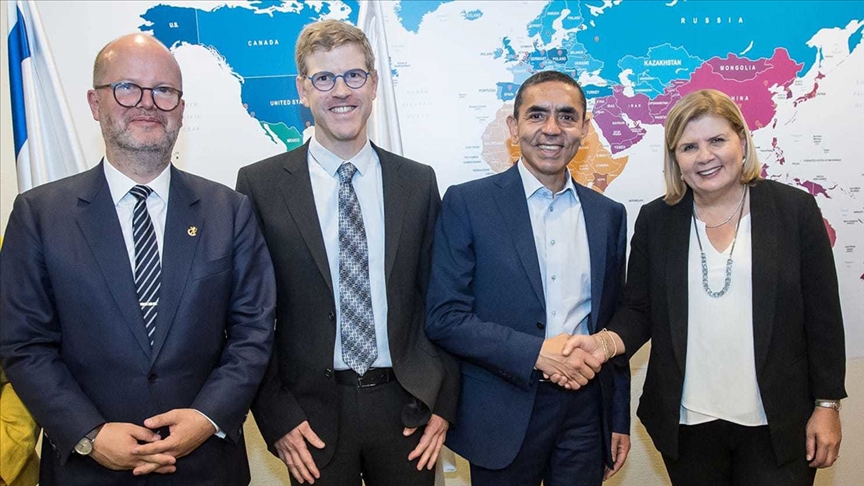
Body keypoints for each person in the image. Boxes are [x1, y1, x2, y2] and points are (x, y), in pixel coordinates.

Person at [0, 34, 276, 485]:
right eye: (127, 87)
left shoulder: (229, 211)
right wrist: (89, 434)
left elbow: (253, 331)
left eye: (164, 91)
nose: (147, 103)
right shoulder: (39, 215)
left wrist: (207, 417)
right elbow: (25, 344)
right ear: (95, 103)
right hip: (87, 470)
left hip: (205, 467)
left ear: (180, 109)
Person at [563, 89, 846, 485]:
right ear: (675, 159)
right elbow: (640, 310)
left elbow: (823, 317)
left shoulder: (794, 210)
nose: (705, 156)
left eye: (717, 140)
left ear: (741, 142)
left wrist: (827, 405)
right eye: (689, 147)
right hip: (688, 425)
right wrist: (603, 343)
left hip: (779, 422)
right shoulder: (657, 220)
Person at [235, 19, 459, 486]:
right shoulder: (260, 185)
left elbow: (442, 302)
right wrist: (276, 416)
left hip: (407, 408)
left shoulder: (417, 183)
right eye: (324, 78)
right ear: (302, 90)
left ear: (373, 84)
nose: (341, 91)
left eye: (354, 75)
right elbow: (249, 314)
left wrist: (443, 403)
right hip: (309, 418)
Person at [425, 70, 631, 486]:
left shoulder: (608, 215)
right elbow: (445, 317)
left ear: (584, 129)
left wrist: (618, 417)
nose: (551, 129)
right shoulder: (468, 203)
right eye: (537, 115)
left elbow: (611, 321)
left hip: (586, 414)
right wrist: (537, 353)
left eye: (567, 116)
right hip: (502, 411)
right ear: (513, 127)